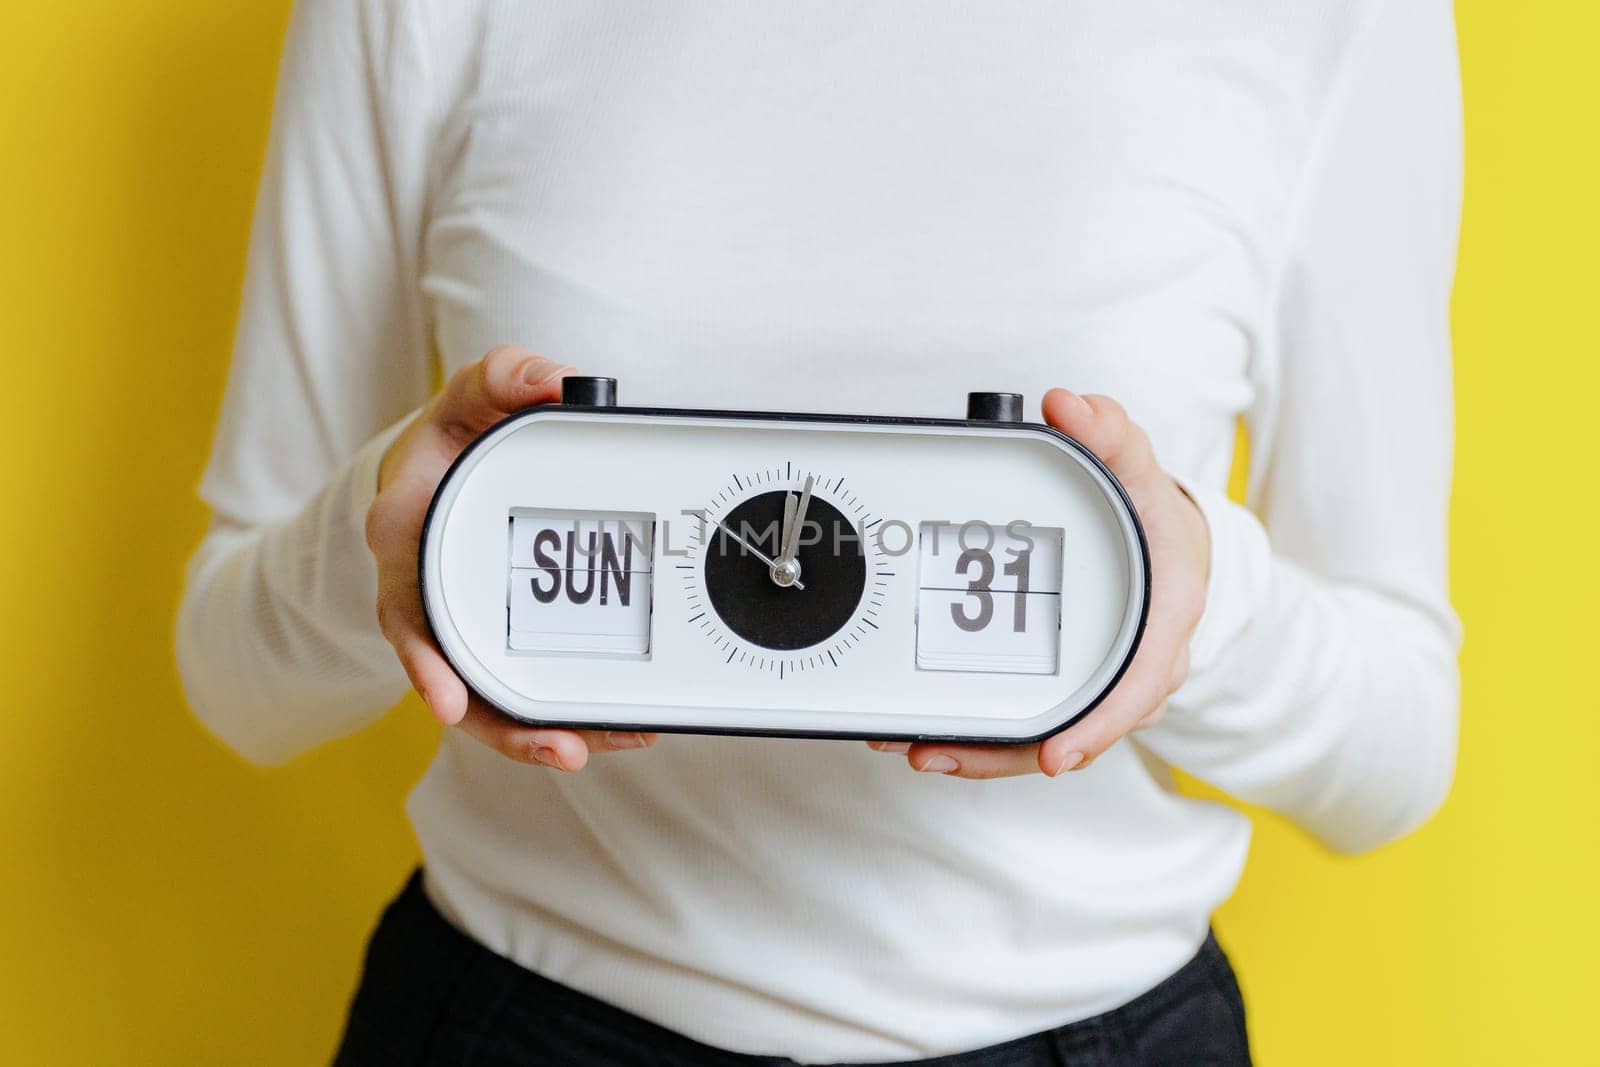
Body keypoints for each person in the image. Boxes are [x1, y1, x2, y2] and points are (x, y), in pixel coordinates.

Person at [176, 2, 1463, 1063]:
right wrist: (399, 553)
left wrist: (1185, 605)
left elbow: (1398, 747)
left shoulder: (1333, 20)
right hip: (526, 1016)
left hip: (1094, 1030)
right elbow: (235, 673)